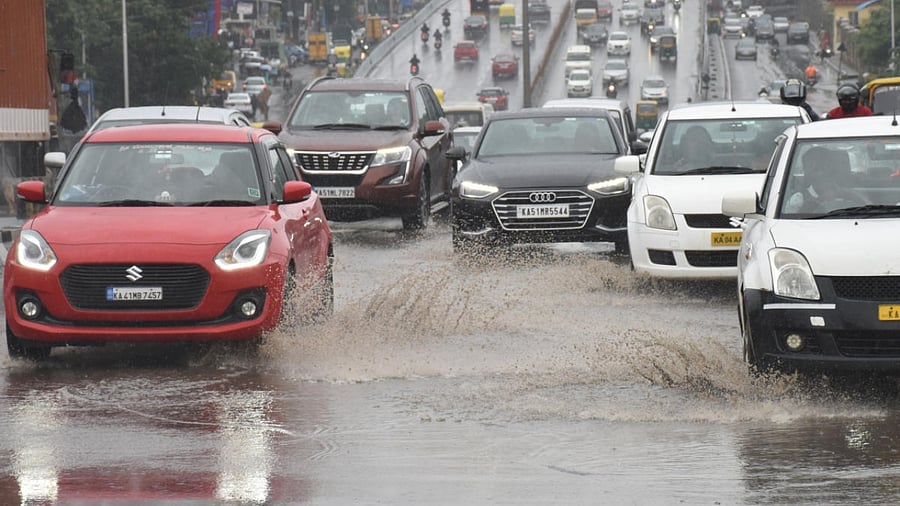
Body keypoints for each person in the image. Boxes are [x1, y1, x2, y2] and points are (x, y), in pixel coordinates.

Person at [785, 146, 866, 213]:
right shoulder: (798, 200)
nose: (817, 171)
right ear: (805, 170)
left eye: (821, 165)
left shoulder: (853, 197)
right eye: (811, 166)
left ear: (831, 167)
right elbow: (788, 224)